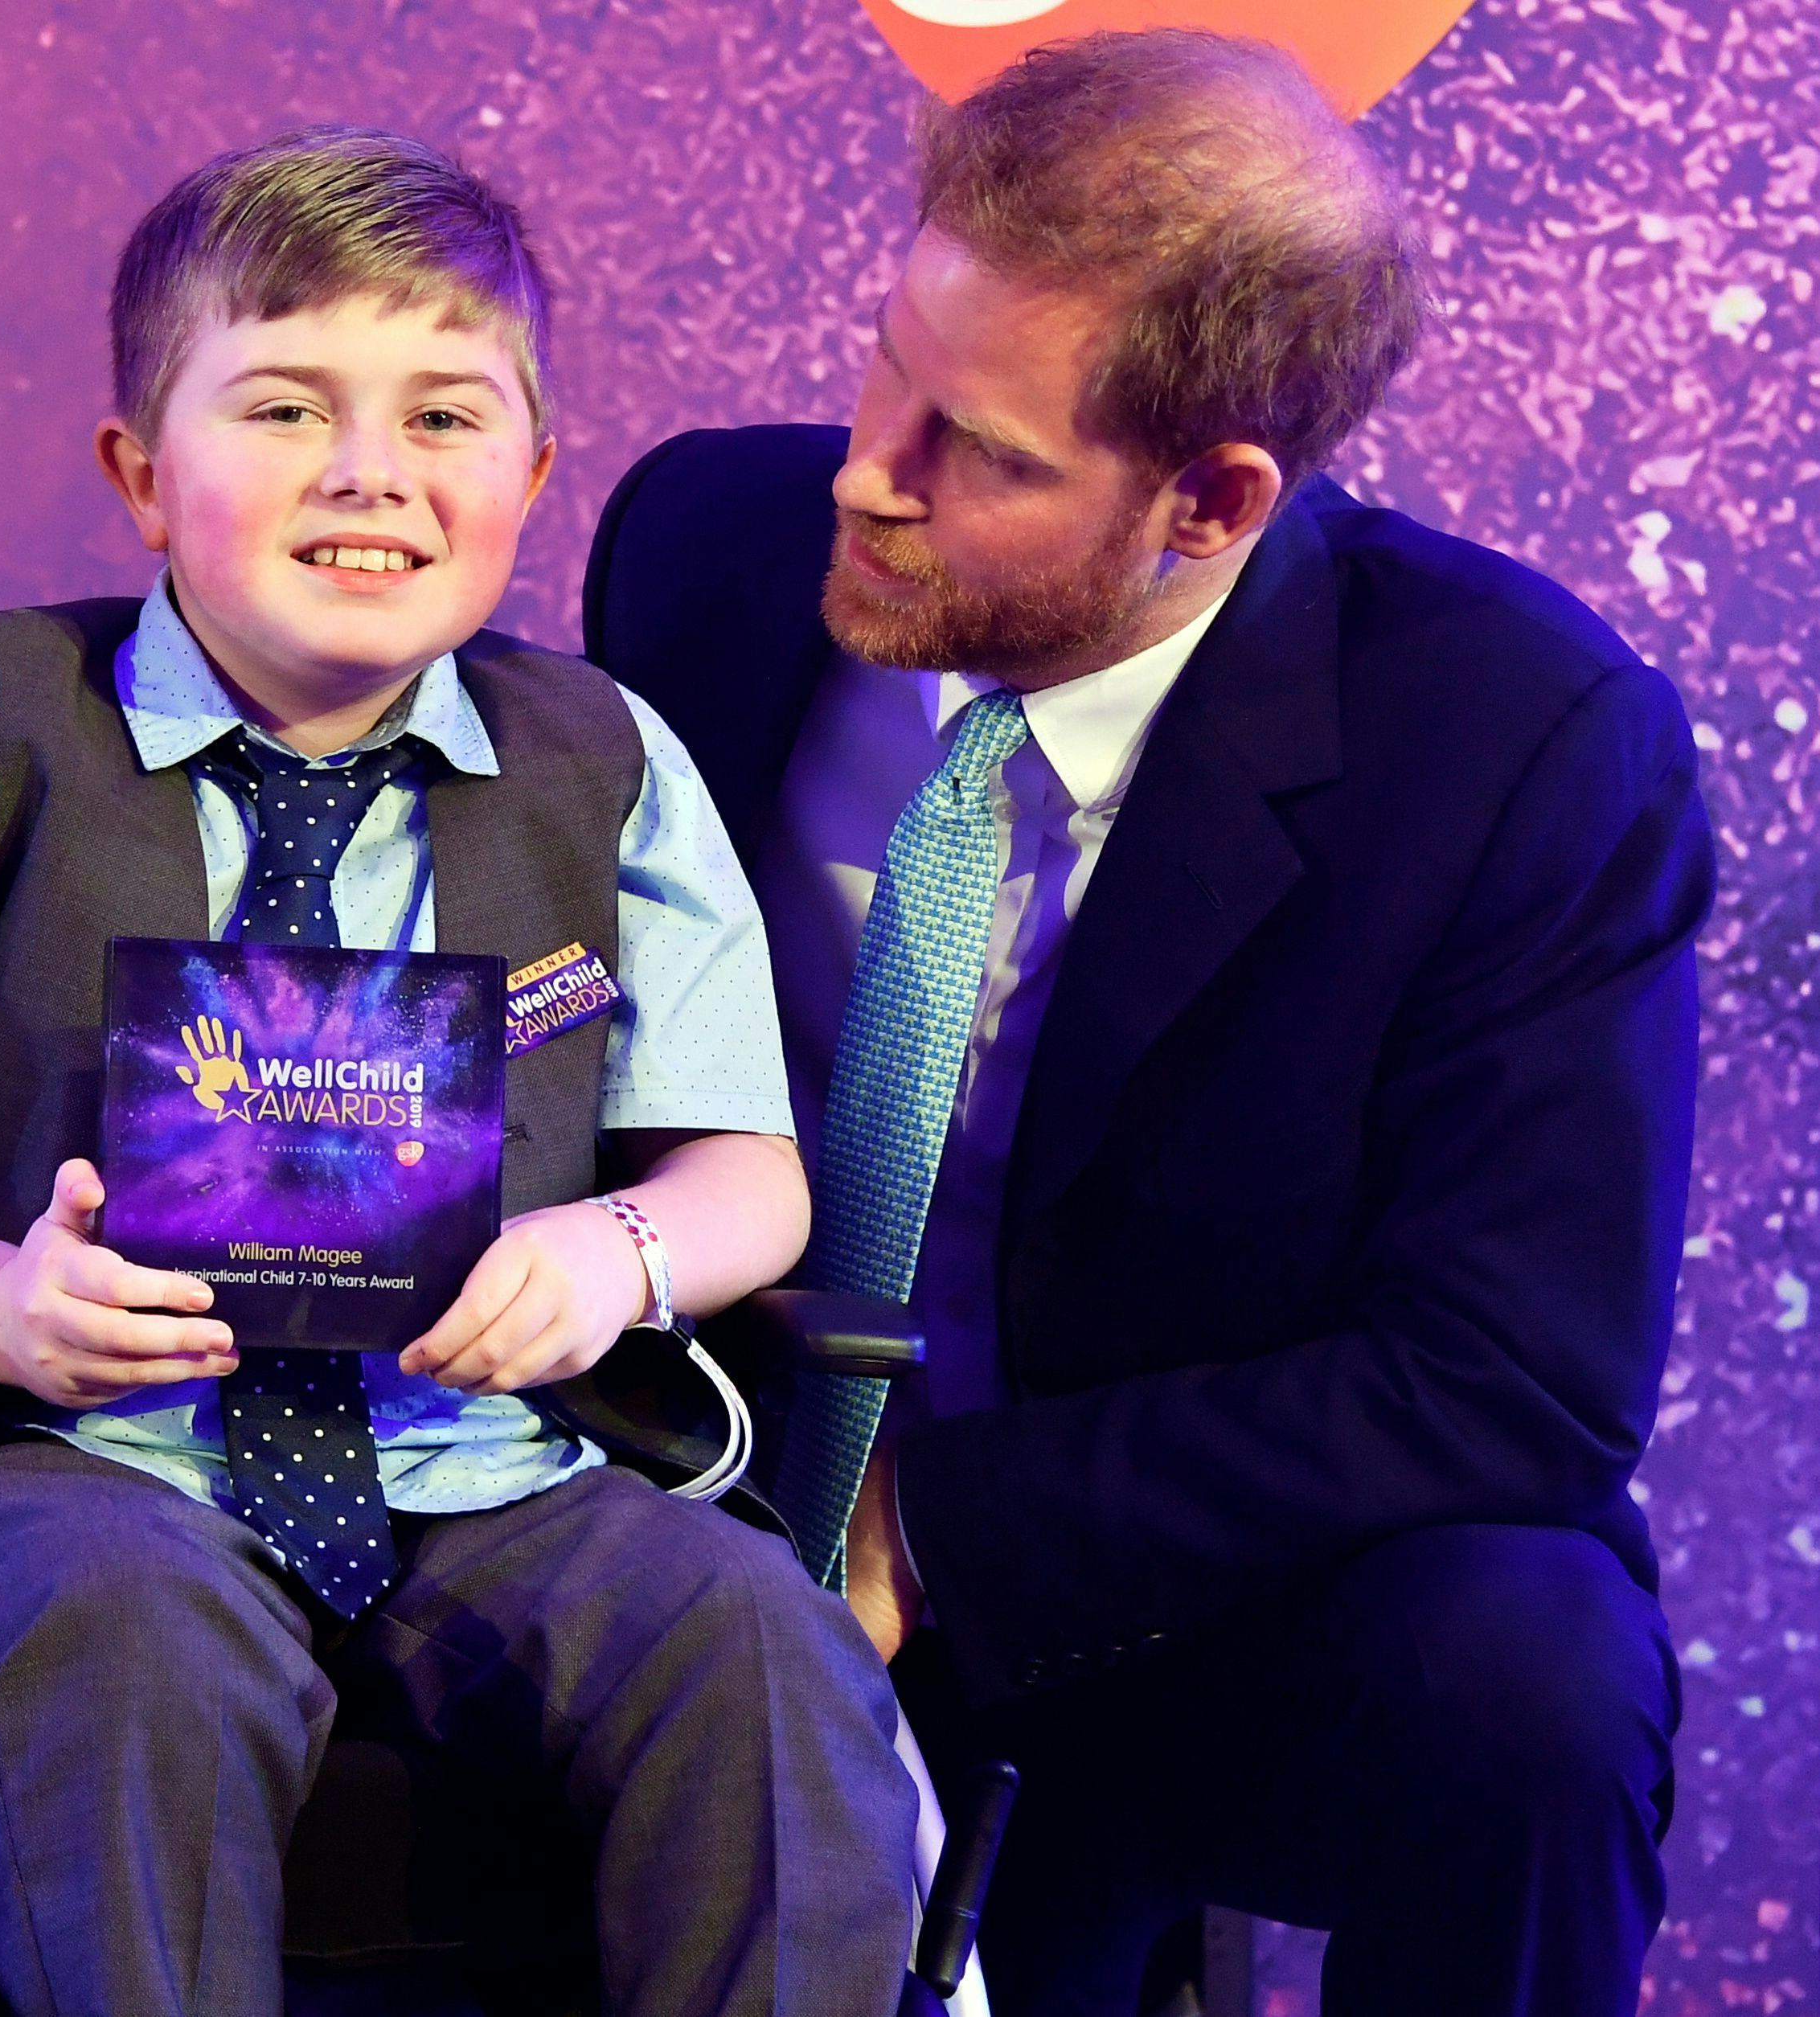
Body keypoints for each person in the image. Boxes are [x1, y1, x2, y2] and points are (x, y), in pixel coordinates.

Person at [0, 125, 918, 2017]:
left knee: (759, 1648)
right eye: (284, 406)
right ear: (138, 473)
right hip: (65, 1456)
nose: (369, 472)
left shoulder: (600, 758)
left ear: (529, 476)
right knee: (129, 1643)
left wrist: (613, 1253)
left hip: (492, 1457)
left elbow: (749, 1177)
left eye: (446, 418)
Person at [582, 31, 1711, 2017]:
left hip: (1164, 1587)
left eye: (985, 454)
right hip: (693, 1494)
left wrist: (933, 1527)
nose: (873, 469)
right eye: (887, 366)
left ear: (1213, 500)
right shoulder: (703, 547)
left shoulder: (1521, 743)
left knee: (1535, 1674)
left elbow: (1513, 1380)